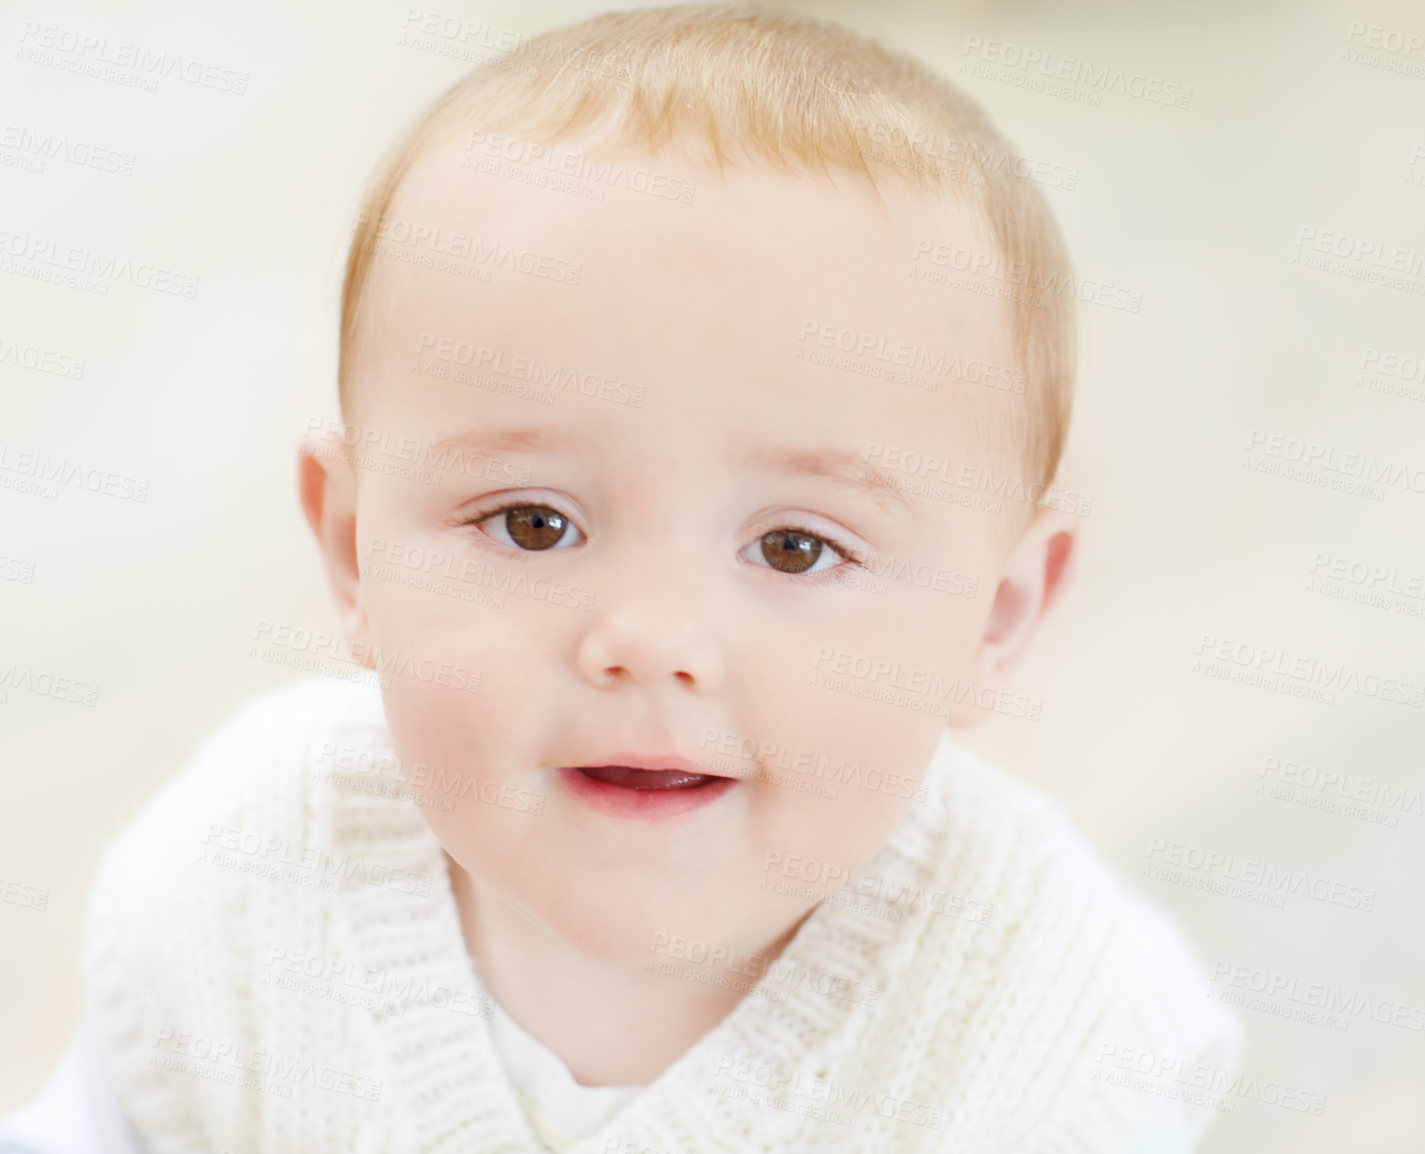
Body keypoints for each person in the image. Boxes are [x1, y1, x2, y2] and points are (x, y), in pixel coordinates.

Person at [0, 6, 1236, 1150]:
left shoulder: (1058, 1037)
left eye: (795, 546)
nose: (648, 639)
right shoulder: (243, 876)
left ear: (997, 616)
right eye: (533, 523)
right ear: (352, 547)